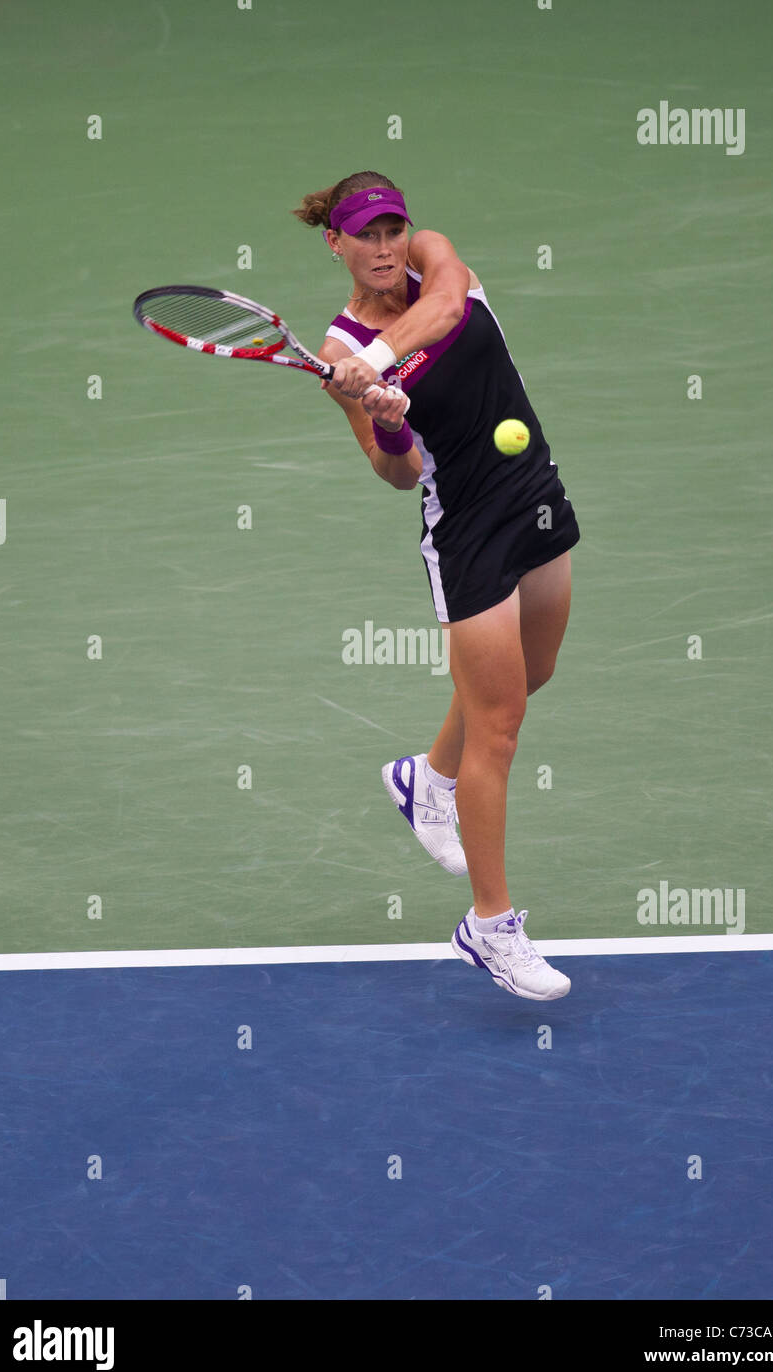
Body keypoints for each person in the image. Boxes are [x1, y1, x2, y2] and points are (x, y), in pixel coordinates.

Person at [292, 171, 579, 1002]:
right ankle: (491, 926)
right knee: (501, 721)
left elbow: (449, 308)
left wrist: (383, 362)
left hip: (535, 488)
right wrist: (384, 417)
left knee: (535, 672)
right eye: (364, 235)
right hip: (468, 531)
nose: (384, 248)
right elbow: (397, 471)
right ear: (334, 243)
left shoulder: (434, 262)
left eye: (392, 230)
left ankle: (427, 778)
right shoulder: (337, 352)